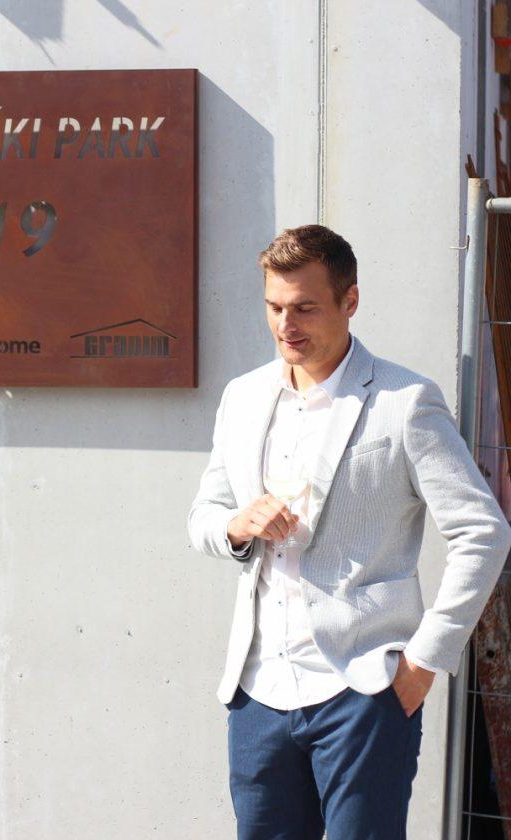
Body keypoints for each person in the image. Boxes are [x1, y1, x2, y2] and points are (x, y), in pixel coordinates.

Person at [188, 224, 511, 839]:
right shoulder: (243, 397)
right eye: (275, 308)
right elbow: (204, 514)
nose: (286, 325)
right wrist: (236, 525)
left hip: (362, 690)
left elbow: (483, 532)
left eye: (305, 308)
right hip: (258, 692)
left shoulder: (405, 401)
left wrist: (423, 662)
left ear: (350, 301)